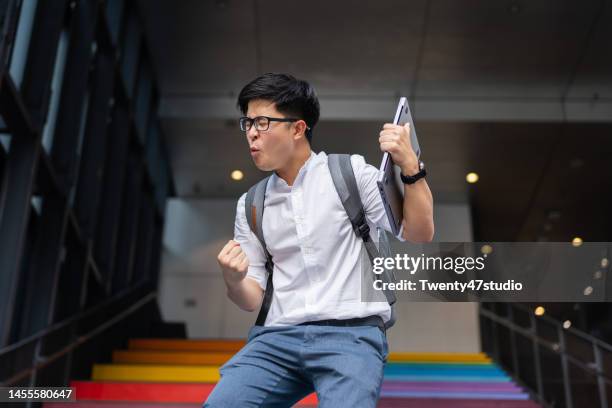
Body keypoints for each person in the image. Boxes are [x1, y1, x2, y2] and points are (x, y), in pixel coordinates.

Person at [204, 73, 434, 407]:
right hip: (276, 339)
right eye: (247, 122)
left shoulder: (350, 174)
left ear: (298, 128)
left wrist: (410, 166)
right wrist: (234, 278)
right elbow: (250, 299)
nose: (252, 132)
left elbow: (419, 233)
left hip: (351, 335)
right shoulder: (252, 204)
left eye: (263, 122)